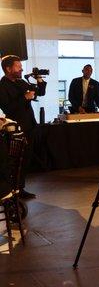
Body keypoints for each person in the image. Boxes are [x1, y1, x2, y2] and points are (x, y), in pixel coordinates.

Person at [0, 55, 47, 199]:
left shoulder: (21, 82)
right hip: (15, 130)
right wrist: (24, 98)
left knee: (25, 159)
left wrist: (39, 79)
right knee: (15, 161)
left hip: (29, 126)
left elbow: (41, 92)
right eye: (18, 66)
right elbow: (8, 108)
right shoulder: (2, 86)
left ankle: (20, 188)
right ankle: (11, 189)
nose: (21, 69)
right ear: (8, 69)